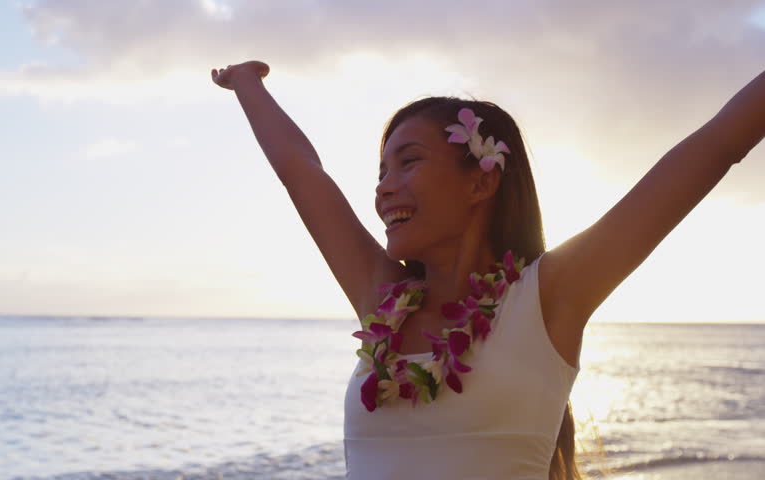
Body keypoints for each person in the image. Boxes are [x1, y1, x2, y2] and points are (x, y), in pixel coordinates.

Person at [211, 60, 763, 479]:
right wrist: (248, 86)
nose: (383, 186)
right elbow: (303, 174)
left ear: (481, 181)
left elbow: (714, 147)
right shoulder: (385, 304)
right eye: (381, 169)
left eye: (409, 161)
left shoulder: (548, 299)